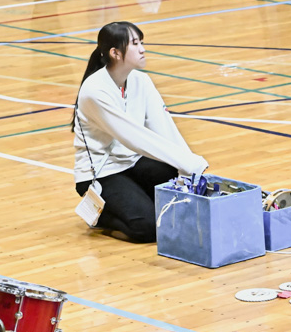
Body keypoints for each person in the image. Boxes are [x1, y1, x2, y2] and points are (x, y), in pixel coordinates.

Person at [73, 22, 208, 243]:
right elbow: (133, 137)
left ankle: (135, 200)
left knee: (179, 184)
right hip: (101, 172)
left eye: (141, 43)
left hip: (133, 162)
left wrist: (189, 166)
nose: (143, 49)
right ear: (115, 53)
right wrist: (189, 163)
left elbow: (163, 126)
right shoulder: (94, 91)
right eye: (135, 44)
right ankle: (99, 215)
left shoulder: (141, 80)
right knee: (148, 228)